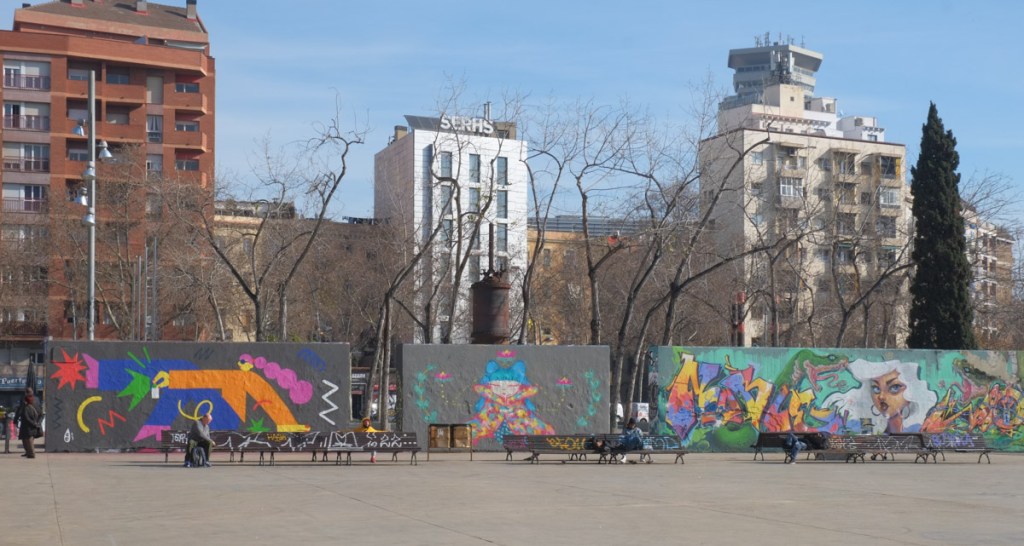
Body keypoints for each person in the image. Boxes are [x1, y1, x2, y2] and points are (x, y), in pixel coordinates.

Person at [17, 391, 41, 459]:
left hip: (29, 427)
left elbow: (27, 418)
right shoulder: (30, 407)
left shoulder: (27, 407)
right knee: (27, 441)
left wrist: (35, 424)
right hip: (30, 427)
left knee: (29, 442)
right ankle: (29, 453)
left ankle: (31, 454)